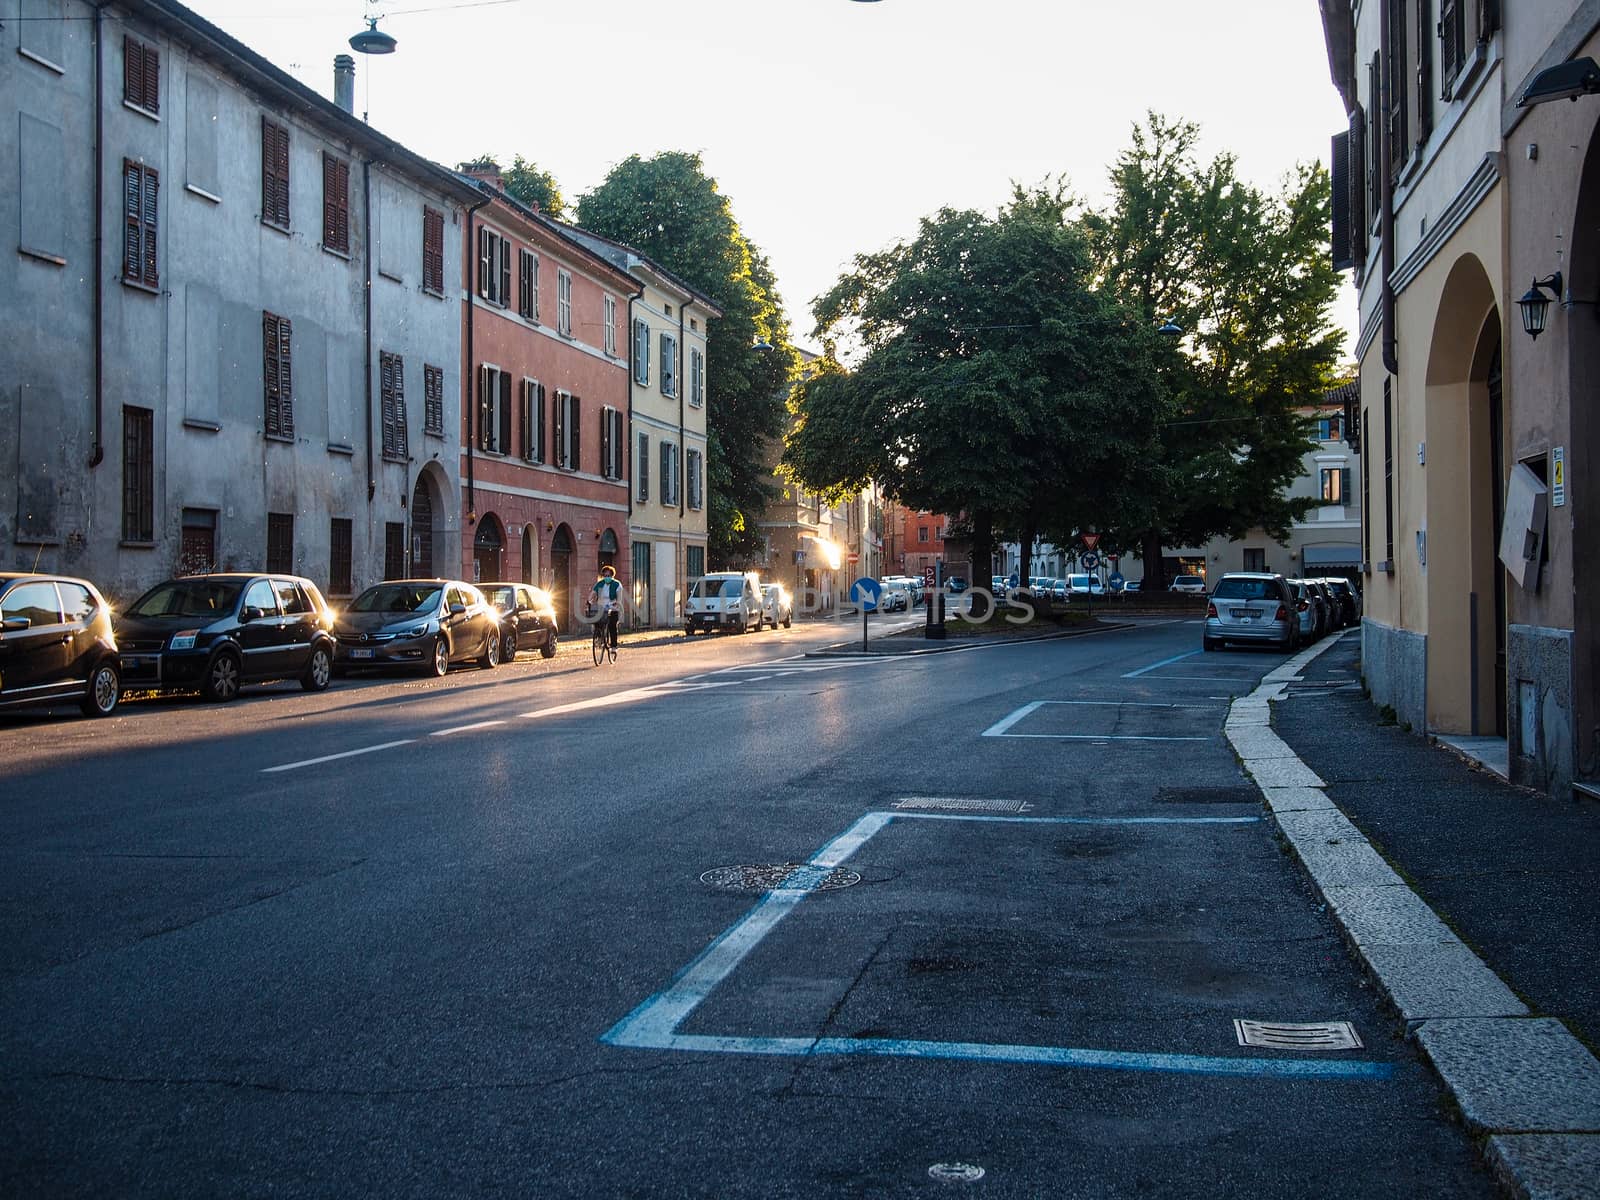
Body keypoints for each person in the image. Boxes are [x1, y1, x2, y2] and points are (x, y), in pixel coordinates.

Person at [588, 564, 622, 650]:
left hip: (613, 607)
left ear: (612, 576)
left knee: (612, 626)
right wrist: (589, 601)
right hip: (602, 607)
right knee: (598, 622)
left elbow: (619, 597)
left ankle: (614, 646)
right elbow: (593, 593)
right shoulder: (599, 584)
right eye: (605, 575)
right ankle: (599, 638)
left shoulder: (617, 584)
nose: (607, 577)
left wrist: (617, 602)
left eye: (609, 575)